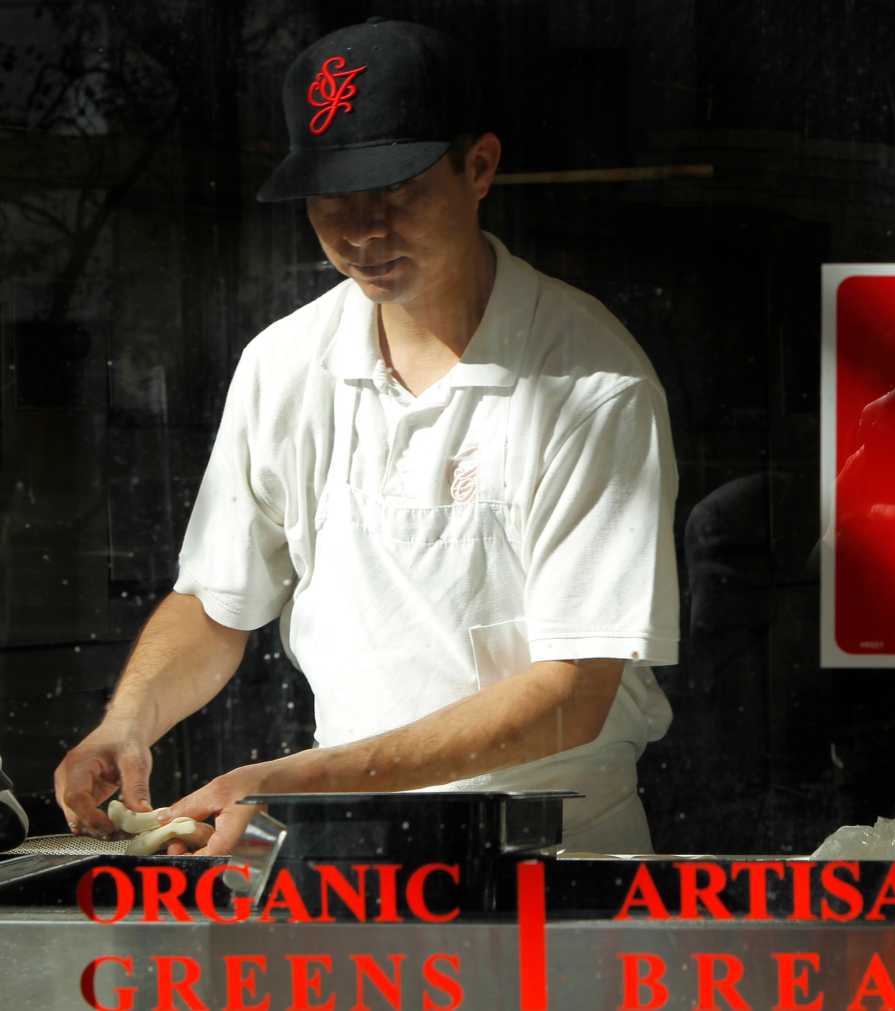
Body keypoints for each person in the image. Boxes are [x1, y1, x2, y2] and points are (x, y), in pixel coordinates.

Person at [52, 18, 678, 854]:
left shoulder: (590, 382)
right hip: (349, 843)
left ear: (479, 167)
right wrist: (127, 721)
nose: (362, 232)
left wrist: (300, 780)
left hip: (555, 854)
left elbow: (575, 687)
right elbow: (217, 600)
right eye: (331, 202)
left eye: (398, 192)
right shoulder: (283, 365)